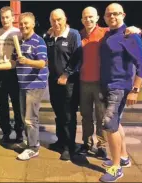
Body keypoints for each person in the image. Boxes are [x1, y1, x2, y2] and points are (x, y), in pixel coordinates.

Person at [79, 7, 142, 159]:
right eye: (85, 17)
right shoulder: (78, 35)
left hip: (101, 83)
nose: (88, 19)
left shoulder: (104, 32)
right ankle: (87, 144)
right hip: (84, 82)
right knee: (86, 116)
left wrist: (137, 29)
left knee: (103, 118)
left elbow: (123, 31)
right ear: (81, 20)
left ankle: (101, 147)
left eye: (91, 17)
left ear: (97, 18)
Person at [99, 3, 142, 182]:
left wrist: (135, 90)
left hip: (119, 87)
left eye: (116, 14)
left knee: (109, 125)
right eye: (109, 14)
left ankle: (116, 166)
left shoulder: (130, 36)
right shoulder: (109, 34)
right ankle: (124, 157)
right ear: (104, 17)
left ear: (123, 15)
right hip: (107, 85)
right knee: (116, 123)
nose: (112, 17)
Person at [0, 12, 48, 160]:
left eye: (26, 23)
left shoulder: (38, 41)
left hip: (34, 84)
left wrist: (27, 61)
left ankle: (33, 148)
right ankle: (31, 142)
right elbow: (15, 62)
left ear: (33, 24)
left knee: (30, 118)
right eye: (21, 23)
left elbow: (42, 63)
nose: (23, 26)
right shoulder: (20, 42)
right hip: (22, 84)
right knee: (24, 117)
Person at [46, 9, 82, 161]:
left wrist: (66, 74)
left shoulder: (73, 34)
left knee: (68, 115)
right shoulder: (49, 36)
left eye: (59, 19)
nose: (56, 23)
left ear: (65, 19)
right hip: (53, 81)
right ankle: (60, 141)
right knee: (58, 113)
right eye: (53, 20)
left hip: (69, 82)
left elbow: (78, 58)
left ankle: (69, 146)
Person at [0, 6, 23, 143]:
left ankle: (19, 132)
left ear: (13, 18)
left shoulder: (18, 32)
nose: (5, 20)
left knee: (17, 105)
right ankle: (5, 131)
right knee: (2, 105)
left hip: (13, 72)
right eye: (2, 17)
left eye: (7, 17)